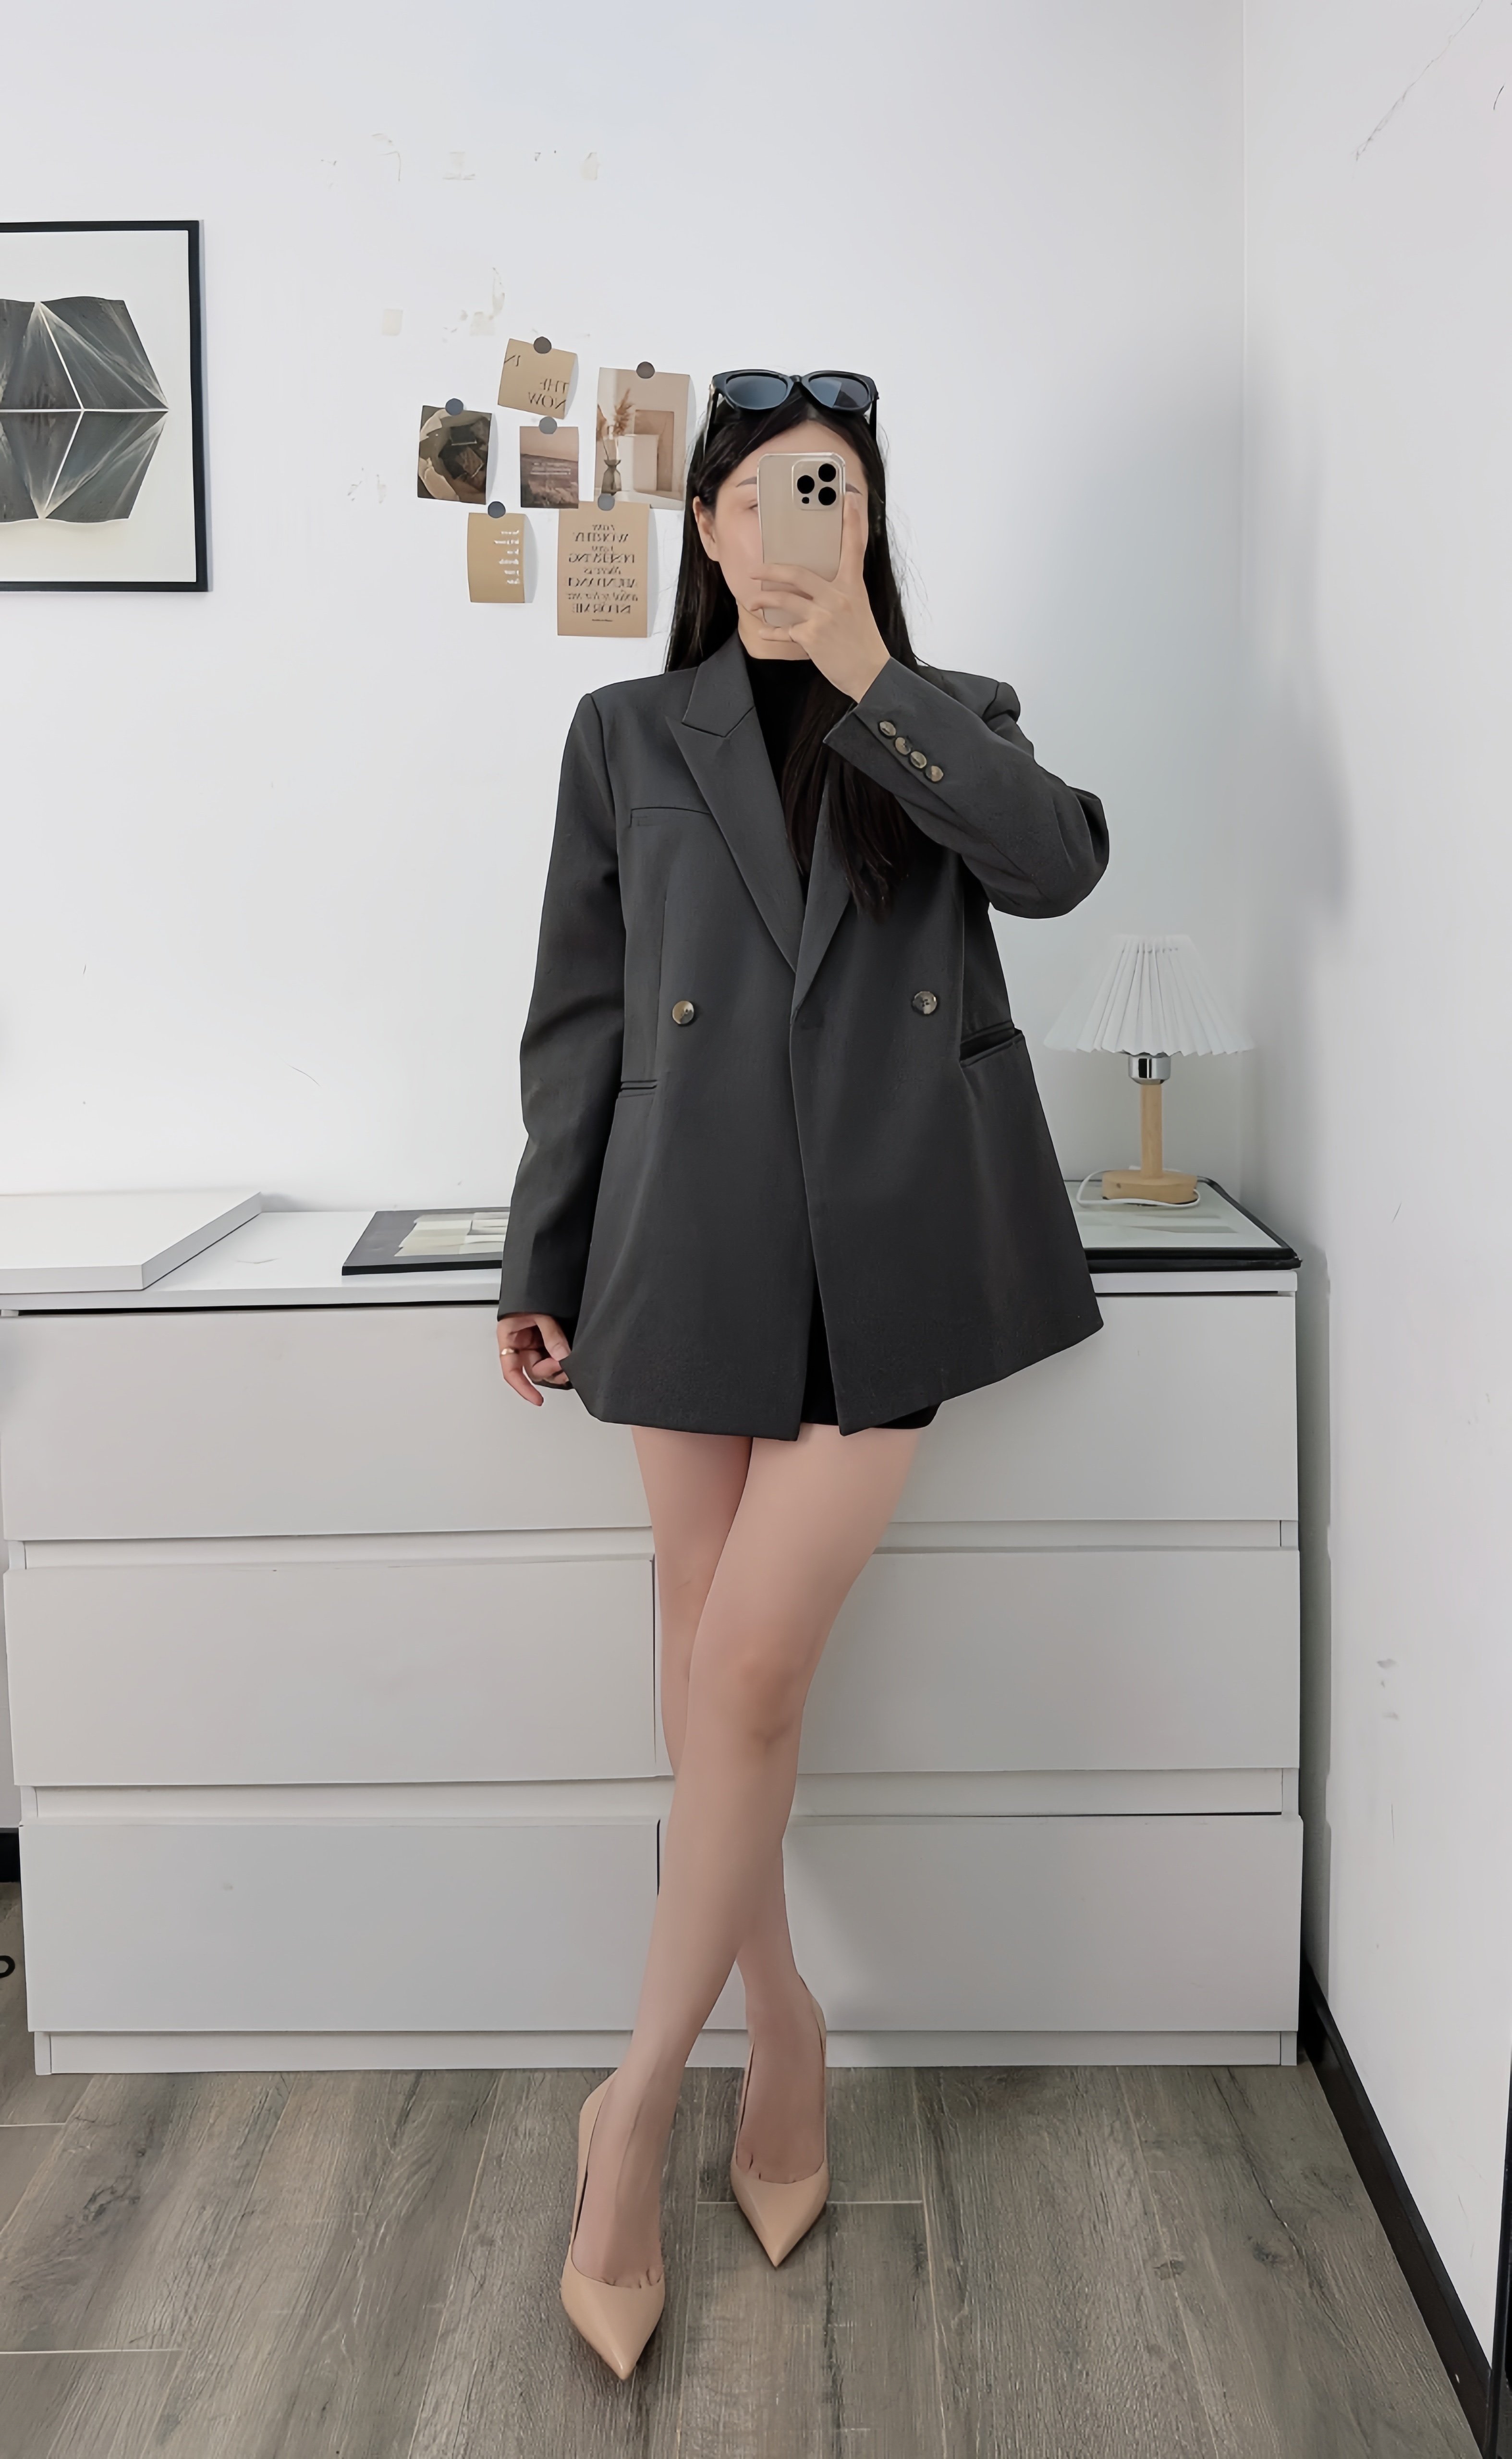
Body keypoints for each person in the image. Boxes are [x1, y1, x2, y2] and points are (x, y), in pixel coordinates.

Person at [495, 367, 1109, 2376]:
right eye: (757, 493)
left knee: (745, 1671)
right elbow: (581, 1014)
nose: (788, 523)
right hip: (685, 1247)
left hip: (887, 1256)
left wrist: (865, 673)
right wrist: (542, 1253)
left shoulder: (947, 714)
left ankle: (626, 2115)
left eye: (827, 490)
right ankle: (781, 2026)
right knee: (707, 1666)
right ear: (703, 524)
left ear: (866, 519)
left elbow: (1057, 867)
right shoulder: (624, 734)